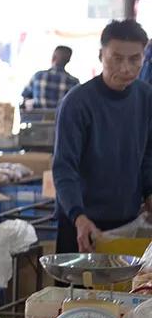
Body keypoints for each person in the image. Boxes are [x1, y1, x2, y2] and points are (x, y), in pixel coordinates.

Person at [53, 19, 152, 254]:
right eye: (117, 58)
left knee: (127, 290)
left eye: (134, 59)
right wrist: (78, 216)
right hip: (81, 225)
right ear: (101, 55)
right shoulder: (77, 103)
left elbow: (147, 155)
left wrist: (149, 193)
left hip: (127, 223)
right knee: (77, 291)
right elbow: (64, 168)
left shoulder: (146, 97)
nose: (126, 68)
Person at [21, 45, 79, 110]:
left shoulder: (38, 77)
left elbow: (25, 96)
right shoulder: (74, 83)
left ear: (53, 57)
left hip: (37, 119)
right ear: (68, 61)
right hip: (61, 119)